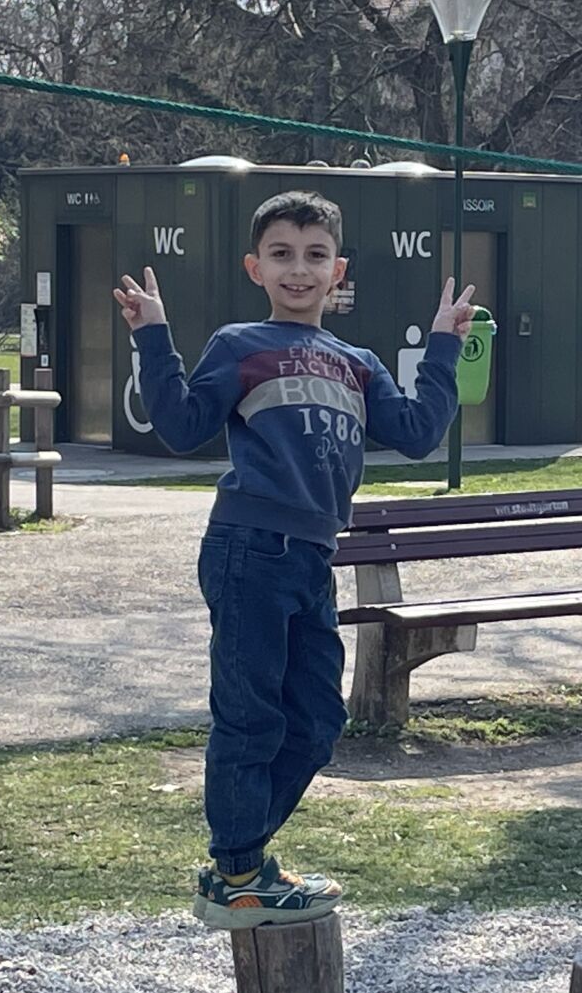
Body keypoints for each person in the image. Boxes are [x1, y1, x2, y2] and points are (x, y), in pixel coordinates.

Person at [115, 189, 475, 928]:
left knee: (316, 721)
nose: (299, 270)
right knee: (250, 719)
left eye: (315, 256)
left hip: (313, 559)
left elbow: (416, 434)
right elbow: (181, 425)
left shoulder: (357, 363)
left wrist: (443, 346)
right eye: (281, 255)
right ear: (256, 267)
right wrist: (153, 336)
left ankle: (239, 860)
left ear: (338, 271)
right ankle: (239, 871)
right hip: (248, 549)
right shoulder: (240, 345)